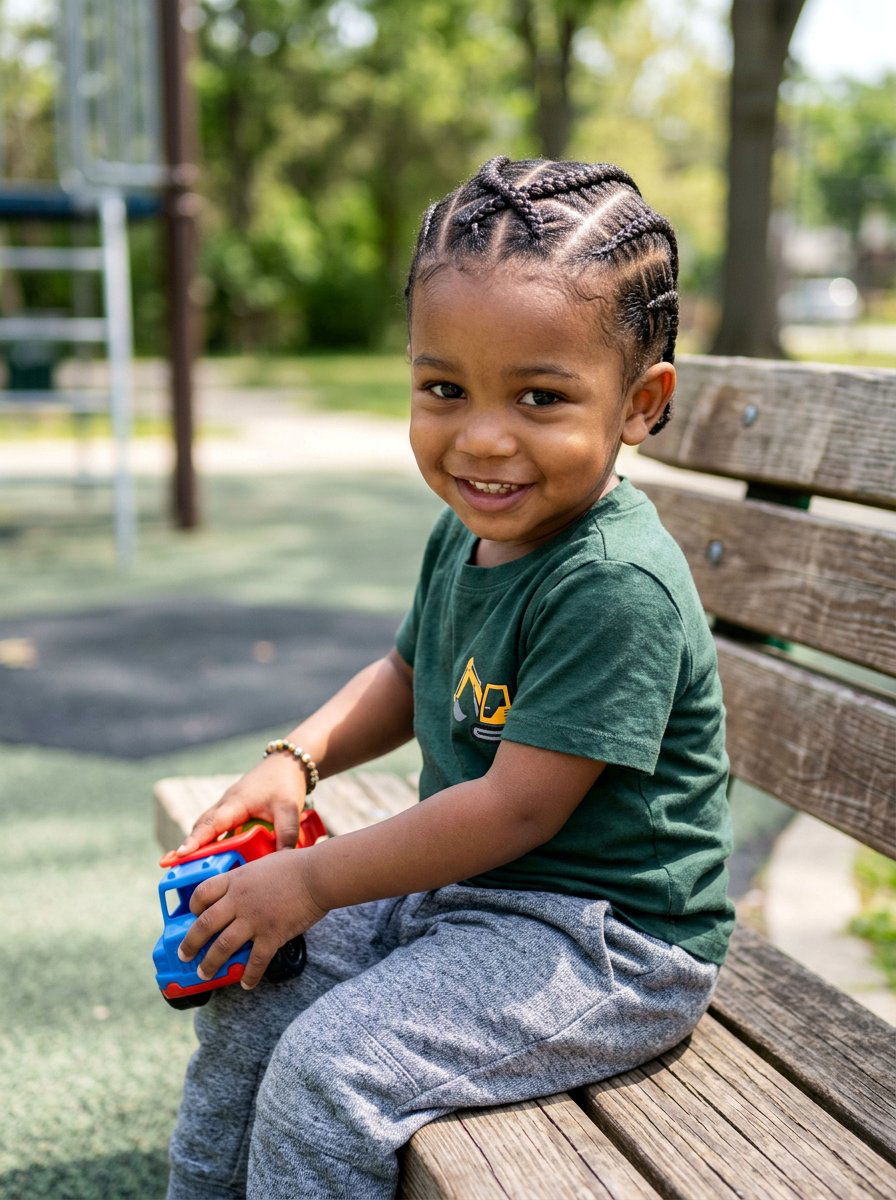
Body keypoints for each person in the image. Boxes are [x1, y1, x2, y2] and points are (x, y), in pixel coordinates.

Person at [167, 156, 734, 1200]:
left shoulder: (614, 583)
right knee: (248, 995)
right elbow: (404, 667)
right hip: (468, 894)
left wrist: (309, 880)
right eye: (442, 389)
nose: (480, 437)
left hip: (602, 940)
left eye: (539, 396)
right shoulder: (465, 530)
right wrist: (298, 759)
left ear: (639, 403)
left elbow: (516, 810)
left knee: (331, 1074)